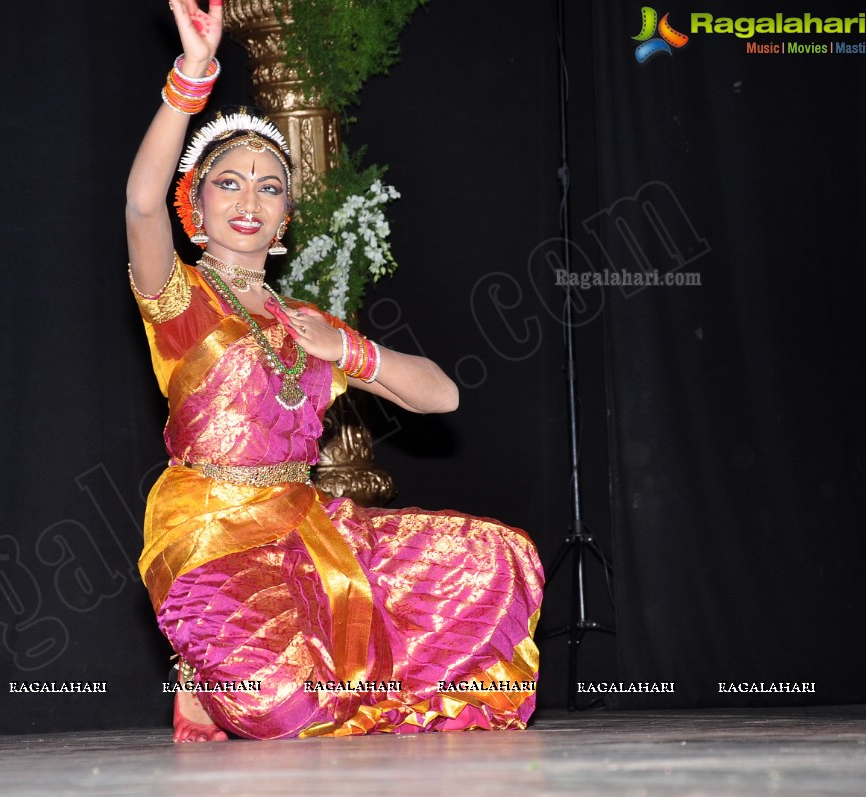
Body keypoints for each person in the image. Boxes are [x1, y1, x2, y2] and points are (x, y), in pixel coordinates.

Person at [126, 0, 544, 742]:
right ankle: (207, 671)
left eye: (269, 185)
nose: (249, 200)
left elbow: (440, 395)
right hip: (213, 538)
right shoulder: (181, 298)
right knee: (281, 708)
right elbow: (137, 200)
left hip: (309, 533)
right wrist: (192, 75)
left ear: (286, 216)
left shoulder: (307, 323)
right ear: (195, 201)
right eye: (229, 182)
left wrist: (349, 351)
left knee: (496, 558)